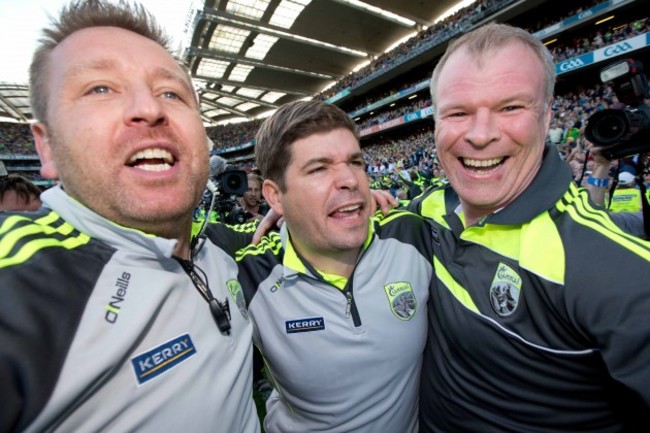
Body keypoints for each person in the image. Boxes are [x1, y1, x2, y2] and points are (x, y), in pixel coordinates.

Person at [0, 1, 259, 432]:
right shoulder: (21, 282)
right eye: (100, 88)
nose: (149, 108)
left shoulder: (218, 244)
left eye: (171, 93)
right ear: (45, 148)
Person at [411, 23, 650, 431]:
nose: (481, 135)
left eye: (510, 108)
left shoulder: (613, 269)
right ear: (435, 122)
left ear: (546, 116)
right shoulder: (424, 209)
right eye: (458, 112)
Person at [214, 100, 434, 432]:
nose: (349, 179)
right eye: (319, 168)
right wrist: (299, 211)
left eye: (355, 162)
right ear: (273, 195)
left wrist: (334, 206)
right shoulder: (248, 264)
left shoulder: (410, 233)